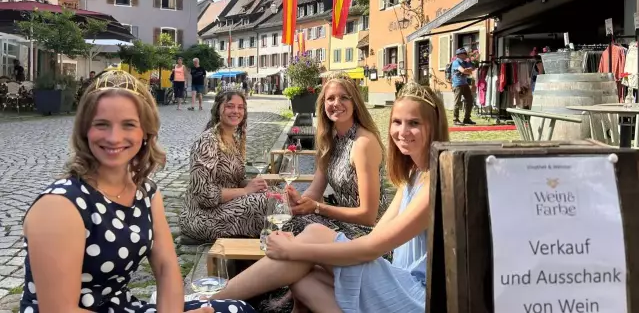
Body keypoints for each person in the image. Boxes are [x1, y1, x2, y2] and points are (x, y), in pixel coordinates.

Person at [19, 70, 253, 313]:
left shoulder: (145, 193)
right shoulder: (59, 206)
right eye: (102, 124)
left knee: (237, 309)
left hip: (121, 307)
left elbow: (166, 270)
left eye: (129, 125)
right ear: (85, 131)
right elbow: (58, 310)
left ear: (145, 133)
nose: (114, 137)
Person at [211, 81, 448, 312]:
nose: (402, 131)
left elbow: (371, 238)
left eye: (414, 123)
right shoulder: (412, 174)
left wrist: (295, 249)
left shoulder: (432, 182)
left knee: (311, 234)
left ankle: (210, 300)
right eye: (397, 122)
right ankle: (212, 300)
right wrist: (303, 205)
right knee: (304, 280)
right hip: (393, 272)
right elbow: (368, 230)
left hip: (416, 295)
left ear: (434, 126)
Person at [284, 72, 387, 241]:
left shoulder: (363, 143)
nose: (336, 103)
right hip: (344, 222)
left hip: (369, 234)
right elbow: (315, 190)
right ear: (323, 104)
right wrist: (299, 201)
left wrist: (317, 208)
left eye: (344, 98)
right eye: (330, 98)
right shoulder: (331, 139)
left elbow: (368, 215)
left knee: (294, 227)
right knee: (283, 219)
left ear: (355, 103)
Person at [179, 90, 269, 242]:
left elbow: (236, 180)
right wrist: (247, 190)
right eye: (230, 106)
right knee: (262, 203)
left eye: (240, 107)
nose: (236, 111)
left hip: (227, 205)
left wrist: (255, 184)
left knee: (275, 195)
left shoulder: (234, 139)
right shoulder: (208, 141)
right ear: (218, 109)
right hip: (203, 215)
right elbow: (204, 195)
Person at [451, 48, 476, 126]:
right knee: (457, 102)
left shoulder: (465, 62)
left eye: (465, 54)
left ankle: (467, 119)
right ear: (460, 55)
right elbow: (463, 71)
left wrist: (467, 70)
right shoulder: (455, 62)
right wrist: (467, 70)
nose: (466, 55)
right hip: (457, 84)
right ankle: (456, 120)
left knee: (470, 100)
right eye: (464, 54)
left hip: (465, 84)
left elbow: (473, 69)